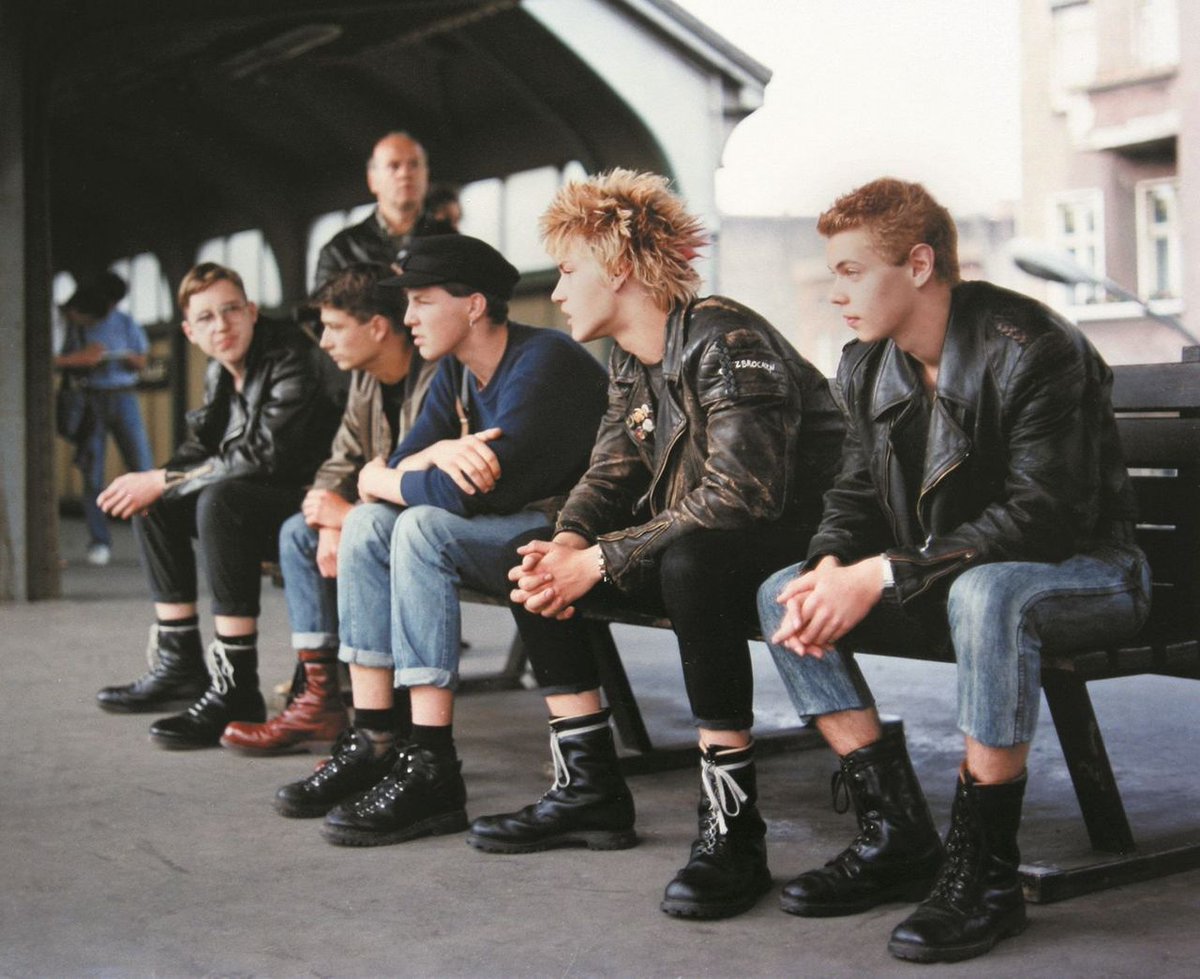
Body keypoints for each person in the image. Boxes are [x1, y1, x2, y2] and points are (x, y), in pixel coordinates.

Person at [755, 178, 1151, 963]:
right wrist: (834, 563)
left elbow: (1045, 517)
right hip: (947, 576)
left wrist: (880, 575)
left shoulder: (1032, 347)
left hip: (1089, 573)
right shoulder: (870, 366)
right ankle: (897, 831)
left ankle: (987, 874)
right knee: (783, 591)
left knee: (988, 591)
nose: (836, 292)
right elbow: (854, 493)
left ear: (920, 263)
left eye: (850, 270)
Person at [466, 169, 846, 921]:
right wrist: (570, 540)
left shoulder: (726, 338)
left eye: (571, 270)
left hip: (802, 537)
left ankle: (732, 830)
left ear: (623, 268)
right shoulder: (632, 359)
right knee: (538, 552)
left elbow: (742, 496)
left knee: (691, 562)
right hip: (712, 533)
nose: (560, 289)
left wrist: (602, 558)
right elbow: (609, 469)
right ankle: (591, 789)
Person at [273, 235, 609, 845]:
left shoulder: (544, 362)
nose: (408, 318)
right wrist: (431, 453)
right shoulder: (455, 374)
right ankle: (375, 737)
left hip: (574, 541)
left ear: (474, 304)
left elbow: (468, 495)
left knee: (421, 525)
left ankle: (432, 761)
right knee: (370, 523)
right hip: (510, 532)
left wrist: (398, 475)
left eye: (422, 302)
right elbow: (379, 475)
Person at [94, 263, 341, 751]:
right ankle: (180, 664)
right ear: (189, 331)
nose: (221, 325)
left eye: (231, 310)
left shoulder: (291, 354)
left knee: (219, 499)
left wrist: (162, 477)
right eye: (206, 318)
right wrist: (151, 483)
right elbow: (199, 449)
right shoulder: (221, 372)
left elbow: (267, 456)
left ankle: (236, 687)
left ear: (251, 311)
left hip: (312, 501)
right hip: (262, 498)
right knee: (159, 502)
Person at [218, 263, 439, 756]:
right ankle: (319, 695)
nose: (324, 342)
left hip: (425, 516)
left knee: (362, 530)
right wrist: (327, 515)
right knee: (298, 530)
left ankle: (384, 713)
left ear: (378, 327)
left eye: (335, 327)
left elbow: (421, 478)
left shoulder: (434, 376)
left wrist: (351, 513)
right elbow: (341, 458)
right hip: (378, 510)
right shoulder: (365, 378)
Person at [55, 274, 155, 566]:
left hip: (124, 394)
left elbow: (143, 359)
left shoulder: (125, 322)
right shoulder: (76, 323)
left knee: (143, 465)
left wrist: (127, 360)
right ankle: (99, 541)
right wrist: (84, 359)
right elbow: (61, 356)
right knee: (92, 471)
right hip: (90, 398)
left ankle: (155, 538)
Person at [312, 132, 454, 290]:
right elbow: (326, 312)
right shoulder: (339, 251)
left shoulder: (451, 242)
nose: (405, 173)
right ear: (372, 180)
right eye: (394, 166)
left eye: (414, 164)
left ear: (426, 175)